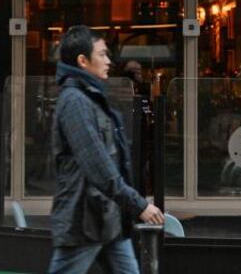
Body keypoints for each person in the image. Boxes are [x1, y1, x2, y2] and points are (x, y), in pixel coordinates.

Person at [48, 26, 164, 274]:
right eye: (101, 54)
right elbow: (97, 164)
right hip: (83, 220)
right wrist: (138, 205)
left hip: (106, 217)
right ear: (83, 61)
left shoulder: (90, 97)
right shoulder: (75, 101)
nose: (108, 61)